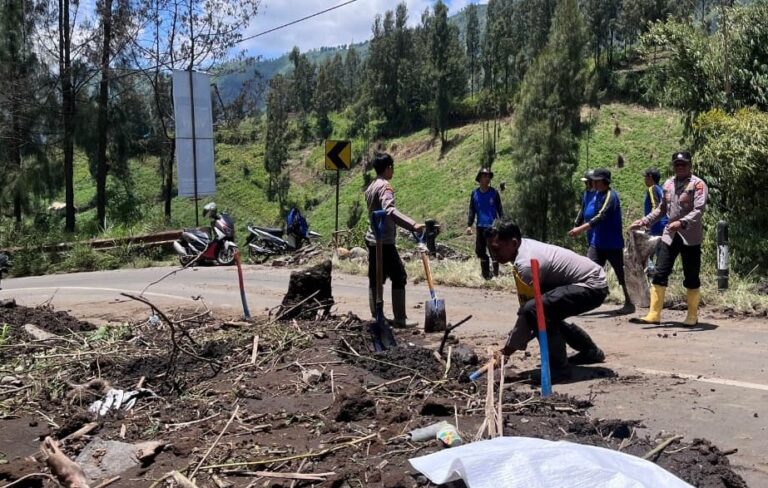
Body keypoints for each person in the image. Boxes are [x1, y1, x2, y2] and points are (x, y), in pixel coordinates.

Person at [486, 219, 607, 373]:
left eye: (496, 249)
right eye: (490, 250)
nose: (493, 255)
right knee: (544, 312)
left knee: (536, 311)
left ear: (514, 243)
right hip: (583, 282)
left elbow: (528, 312)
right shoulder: (523, 248)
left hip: (592, 286)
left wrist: (506, 352)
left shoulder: (527, 263)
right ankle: (590, 352)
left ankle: (558, 369)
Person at [630, 151, 708, 326]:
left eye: (684, 164)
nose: (680, 167)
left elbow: (699, 210)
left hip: (690, 236)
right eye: (677, 165)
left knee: (691, 276)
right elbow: (661, 209)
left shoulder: (698, 184)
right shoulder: (668, 184)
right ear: (673, 166)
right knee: (660, 272)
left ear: (690, 166)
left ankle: (692, 316)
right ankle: (654, 314)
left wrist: (681, 222)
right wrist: (644, 221)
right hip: (670, 236)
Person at [365, 153, 424, 328]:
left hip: (372, 238)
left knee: (376, 277)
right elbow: (389, 210)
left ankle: (377, 316)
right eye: (392, 167)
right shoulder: (385, 187)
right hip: (384, 240)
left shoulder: (371, 186)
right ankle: (400, 318)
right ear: (388, 167)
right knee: (399, 276)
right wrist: (412, 224)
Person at [568, 169, 634, 314]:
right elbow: (586, 211)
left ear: (604, 181)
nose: (594, 183)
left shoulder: (611, 196)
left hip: (612, 243)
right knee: (587, 271)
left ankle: (630, 303)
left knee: (620, 274)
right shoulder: (595, 194)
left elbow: (601, 216)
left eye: (596, 181)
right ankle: (583, 303)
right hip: (597, 243)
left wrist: (580, 229)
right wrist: (578, 224)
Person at [466, 168, 504, 279]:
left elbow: (500, 209)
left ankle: (496, 276)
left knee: (493, 251)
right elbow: (472, 210)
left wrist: (502, 223)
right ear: (479, 179)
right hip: (480, 227)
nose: (487, 179)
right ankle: (486, 275)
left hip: (492, 227)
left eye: (488, 176)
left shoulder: (494, 193)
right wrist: (469, 225)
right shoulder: (475, 194)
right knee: (480, 251)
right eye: (484, 176)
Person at [642, 168, 668, 274]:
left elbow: (655, 206)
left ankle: (652, 273)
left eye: (645, 177)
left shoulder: (652, 188)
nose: (644, 179)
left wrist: (649, 222)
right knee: (659, 250)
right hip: (663, 224)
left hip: (655, 225)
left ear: (650, 177)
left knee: (646, 250)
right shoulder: (660, 188)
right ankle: (661, 272)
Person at [573, 170, 595, 244]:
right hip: (590, 234)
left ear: (592, 182)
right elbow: (583, 210)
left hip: (598, 233)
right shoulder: (586, 194)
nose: (585, 184)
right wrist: (577, 225)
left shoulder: (600, 195)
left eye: (586, 182)